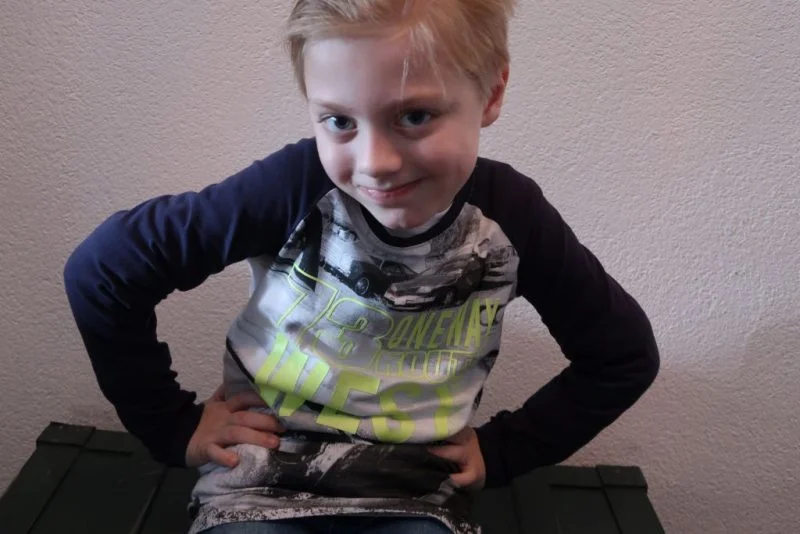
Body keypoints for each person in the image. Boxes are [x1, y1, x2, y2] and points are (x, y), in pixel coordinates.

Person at [63, 1, 659, 533]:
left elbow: (622, 355)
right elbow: (105, 270)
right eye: (340, 121)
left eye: (415, 116)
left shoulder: (511, 218)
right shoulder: (291, 188)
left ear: (492, 92)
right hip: (256, 489)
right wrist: (171, 425)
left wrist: (505, 450)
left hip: (414, 497)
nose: (374, 163)